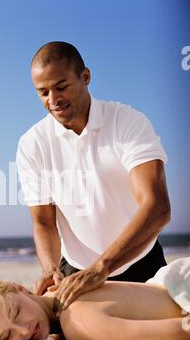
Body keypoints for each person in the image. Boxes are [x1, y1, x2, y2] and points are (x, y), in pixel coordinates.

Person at [16, 41, 171, 310]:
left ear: (85, 77)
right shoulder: (32, 144)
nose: (53, 100)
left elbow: (157, 207)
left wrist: (102, 267)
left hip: (142, 264)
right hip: (75, 271)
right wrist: (50, 268)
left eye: (61, 87)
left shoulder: (128, 122)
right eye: (43, 92)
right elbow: (43, 222)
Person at [0, 258, 190, 340]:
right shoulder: (63, 291)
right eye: (7, 336)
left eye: (15, 313)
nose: (24, 331)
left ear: (20, 288)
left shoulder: (76, 322)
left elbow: (183, 330)